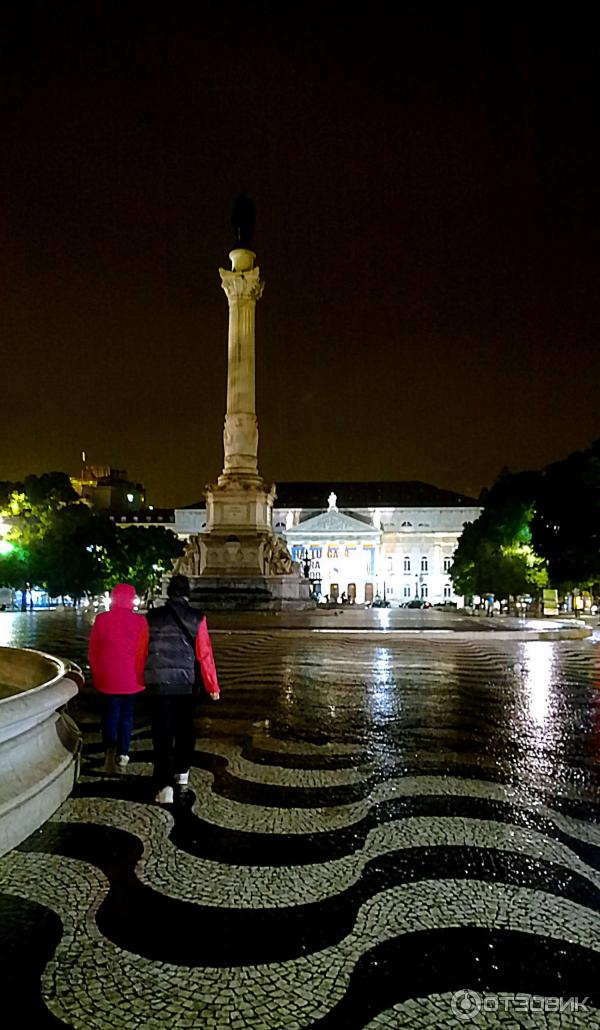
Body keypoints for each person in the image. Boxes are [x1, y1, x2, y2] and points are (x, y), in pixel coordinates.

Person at [145, 574, 220, 805]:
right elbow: (204, 654)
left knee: (162, 734)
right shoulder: (197, 618)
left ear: (169, 592)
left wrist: (142, 676)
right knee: (185, 729)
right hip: (186, 683)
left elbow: (141, 650)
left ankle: (164, 785)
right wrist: (212, 685)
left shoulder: (151, 617)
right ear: (187, 592)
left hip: (158, 683)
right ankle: (182, 773)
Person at [88, 583, 149, 775]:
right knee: (127, 716)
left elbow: (93, 650)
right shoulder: (140, 622)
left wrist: (97, 672)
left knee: (110, 714)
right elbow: (144, 651)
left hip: (108, 676)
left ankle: (109, 747)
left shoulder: (101, 619)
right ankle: (123, 753)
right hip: (132, 677)